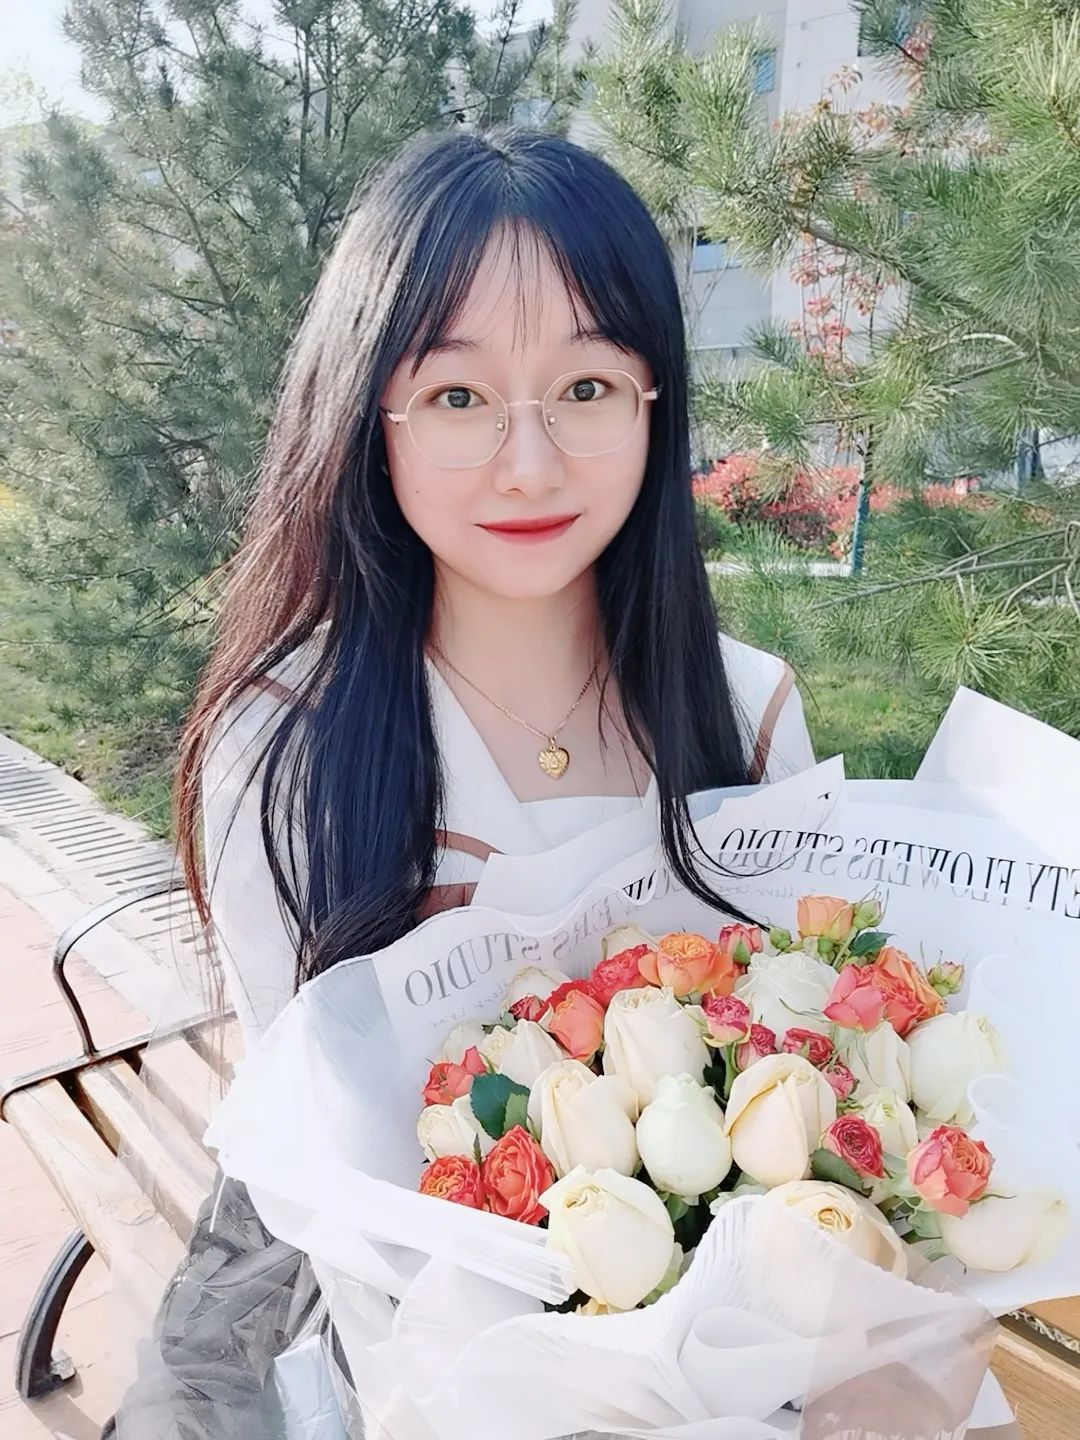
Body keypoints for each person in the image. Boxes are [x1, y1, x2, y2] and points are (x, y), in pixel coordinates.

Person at [112, 124, 815, 1438]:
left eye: (587, 386)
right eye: (457, 397)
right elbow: (331, 1190)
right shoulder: (285, 746)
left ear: (653, 403)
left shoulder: (747, 712)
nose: (529, 462)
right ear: (366, 416)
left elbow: (806, 1101)